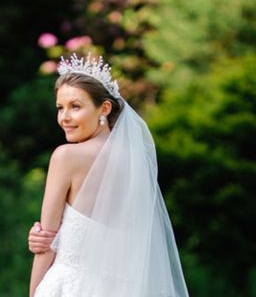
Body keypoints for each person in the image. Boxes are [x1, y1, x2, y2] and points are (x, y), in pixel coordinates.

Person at [28, 54, 189, 297]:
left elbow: (46, 247)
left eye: (76, 106)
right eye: (60, 108)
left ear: (104, 108)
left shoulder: (65, 157)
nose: (64, 118)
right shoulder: (135, 162)